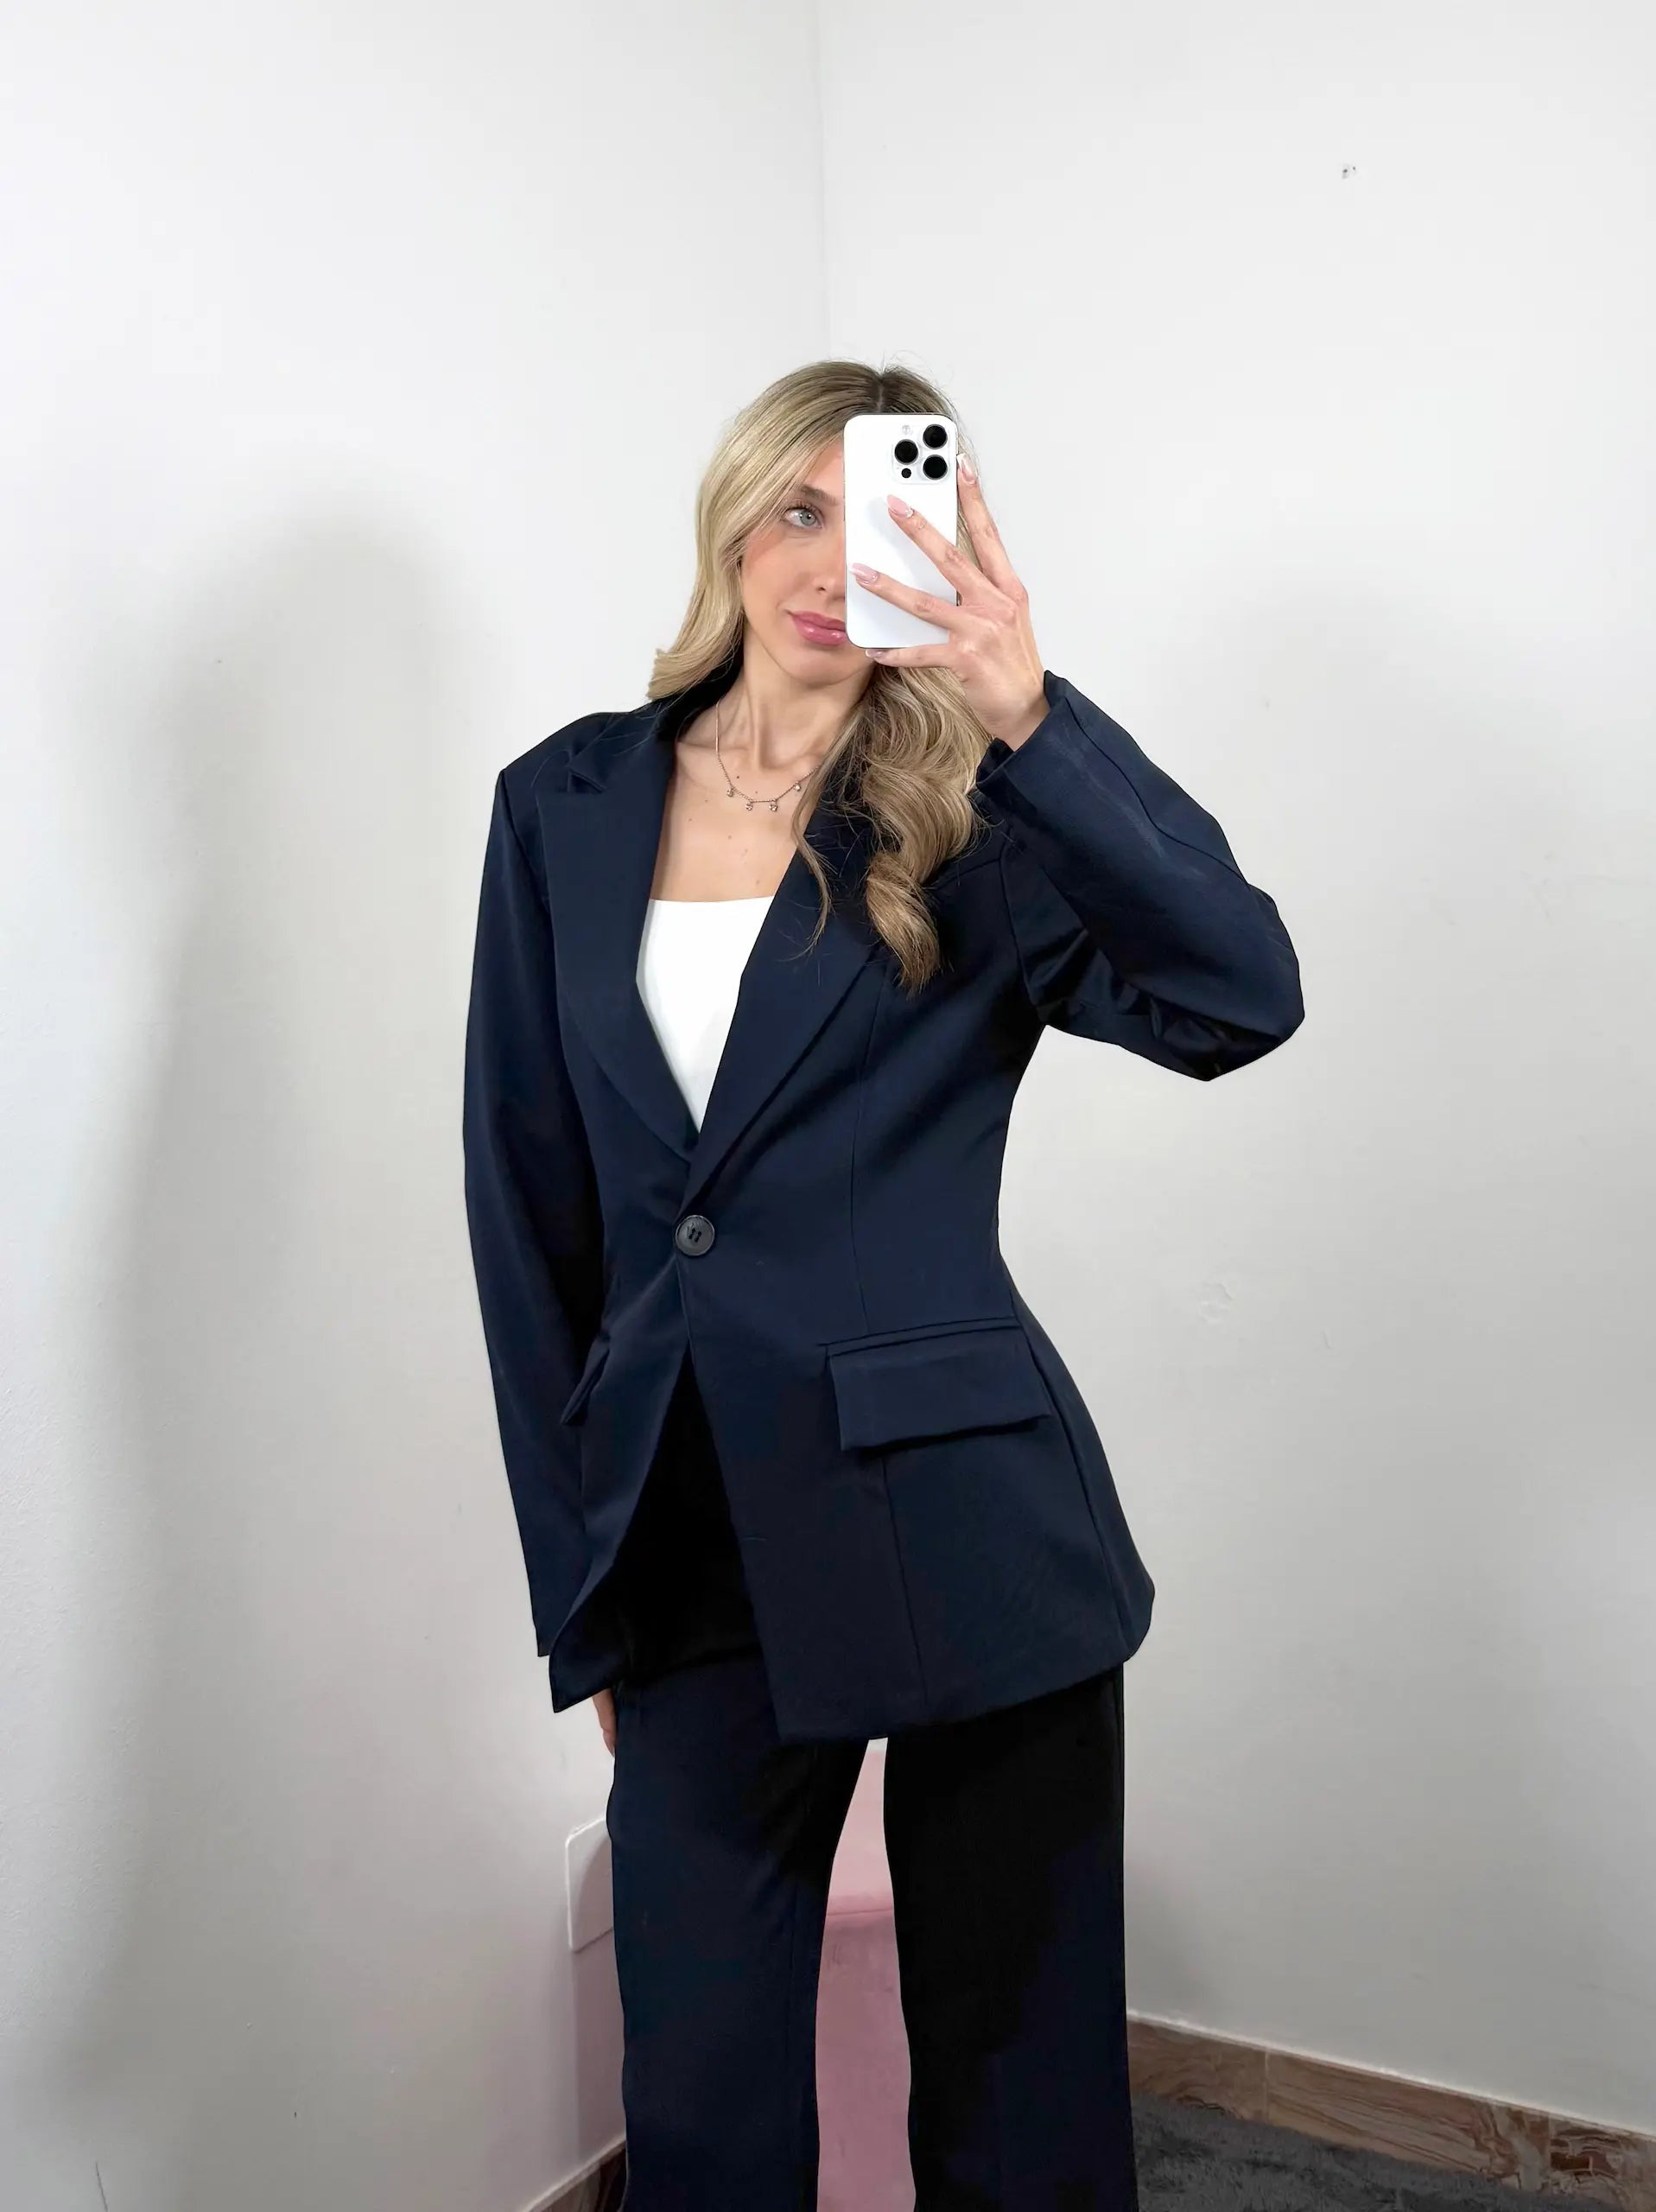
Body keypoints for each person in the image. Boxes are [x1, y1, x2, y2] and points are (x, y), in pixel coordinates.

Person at [462, 359, 1304, 2207]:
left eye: (885, 518)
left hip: (966, 1514)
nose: (833, 564)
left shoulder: (986, 813)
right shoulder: (562, 805)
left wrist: (1030, 715)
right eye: (800, 508)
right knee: (703, 2103)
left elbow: (1240, 994)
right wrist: (580, 1591)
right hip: (688, 1532)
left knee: (1021, 2095)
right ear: (732, 523)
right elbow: (527, 1220)